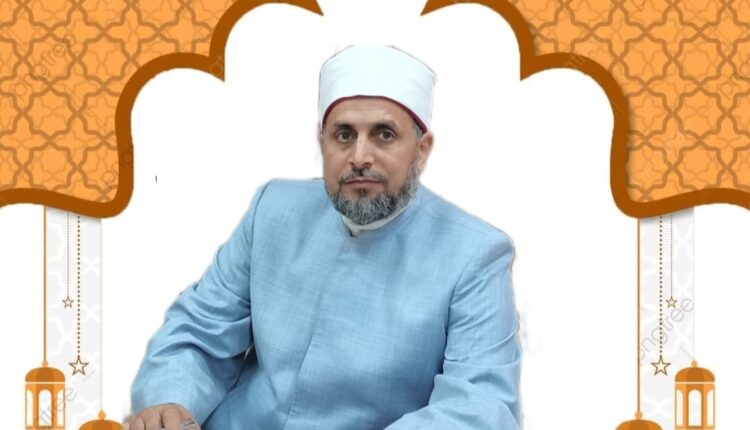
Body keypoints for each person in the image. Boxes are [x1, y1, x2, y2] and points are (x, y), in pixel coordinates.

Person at [125, 44, 522, 430]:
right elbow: (200, 330)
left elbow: (478, 408)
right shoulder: (273, 209)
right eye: (344, 135)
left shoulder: (475, 254)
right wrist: (170, 401)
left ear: (421, 150)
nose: (360, 157)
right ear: (323, 142)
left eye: (384, 134)